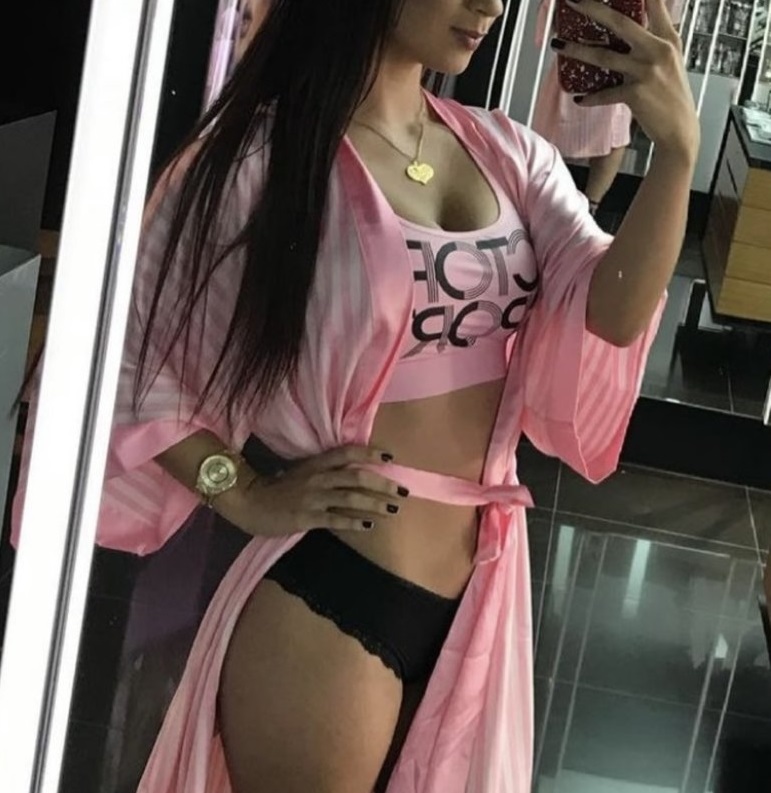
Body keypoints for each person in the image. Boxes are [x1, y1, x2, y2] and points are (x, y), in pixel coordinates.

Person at [12, 0, 699, 790]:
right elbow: (124, 354)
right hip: (331, 594)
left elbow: (610, 311)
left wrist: (676, 155)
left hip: (477, 588)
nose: (489, 6)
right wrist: (240, 491)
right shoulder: (260, 160)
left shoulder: (512, 155)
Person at [531, 0, 686, 215]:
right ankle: (539, 197)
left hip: (623, 58)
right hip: (577, 51)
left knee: (614, 131)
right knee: (555, 124)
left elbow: (668, 29)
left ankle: (590, 208)